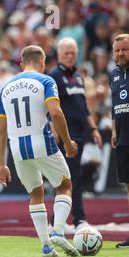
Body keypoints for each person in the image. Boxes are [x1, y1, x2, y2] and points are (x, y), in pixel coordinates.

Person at [0, 45, 79, 257]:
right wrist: (68, 142)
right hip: (42, 142)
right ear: (42, 63)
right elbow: (56, 113)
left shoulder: (5, 87)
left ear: (21, 64)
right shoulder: (46, 81)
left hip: (17, 149)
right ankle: (58, 231)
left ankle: (46, 245)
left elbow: (0, 131)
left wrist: (1, 164)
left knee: (35, 193)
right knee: (65, 185)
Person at [48, 37, 103, 231]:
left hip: (81, 133)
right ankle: (76, 219)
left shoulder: (78, 76)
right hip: (66, 134)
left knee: (71, 177)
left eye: (73, 53)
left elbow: (84, 107)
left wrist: (94, 129)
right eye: (66, 53)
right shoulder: (53, 76)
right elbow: (49, 108)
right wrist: (54, 130)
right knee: (70, 178)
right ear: (59, 54)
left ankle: (58, 221)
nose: (70, 57)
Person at [110, 34, 129, 249]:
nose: (121, 54)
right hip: (123, 138)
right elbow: (115, 105)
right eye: (117, 50)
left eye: (124, 49)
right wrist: (114, 130)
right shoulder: (114, 75)